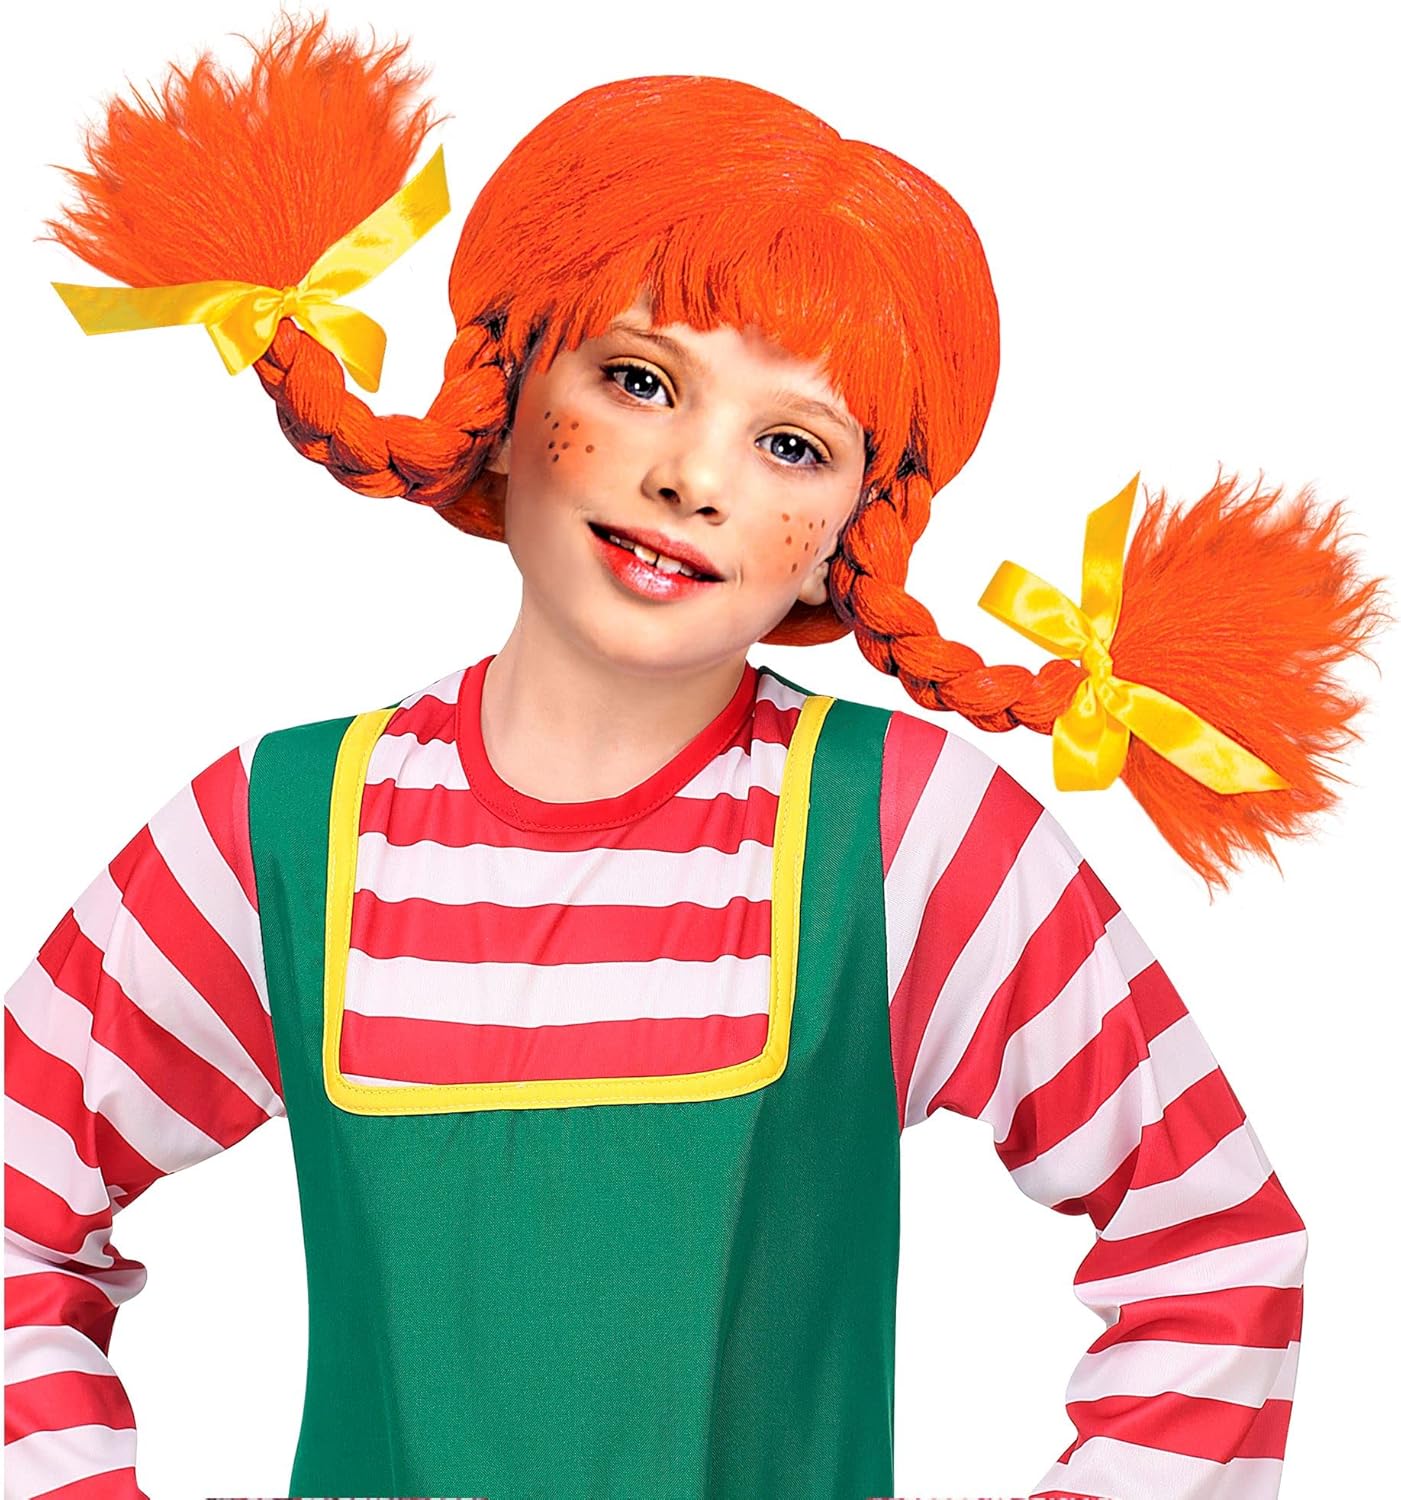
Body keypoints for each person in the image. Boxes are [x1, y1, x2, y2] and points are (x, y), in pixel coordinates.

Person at [4, 12, 1387, 1500]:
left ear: (852, 531)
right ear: (505, 396)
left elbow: (1214, 1245)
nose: (690, 480)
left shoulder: (909, 837)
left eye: (791, 446)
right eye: (640, 380)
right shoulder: (277, 833)